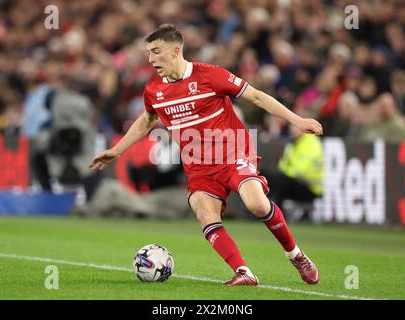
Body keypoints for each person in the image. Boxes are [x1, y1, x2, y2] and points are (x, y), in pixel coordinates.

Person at [89, 24, 323, 286]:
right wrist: (117, 150)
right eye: (148, 53)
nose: (151, 59)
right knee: (205, 214)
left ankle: (296, 255)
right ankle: (244, 272)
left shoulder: (209, 75)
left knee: (256, 204)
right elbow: (146, 121)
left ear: (175, 51)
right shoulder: (154, 90)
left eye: (156, 52)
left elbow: (256, 97)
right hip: (198, 166)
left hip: (233, 151)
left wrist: (296, 120)